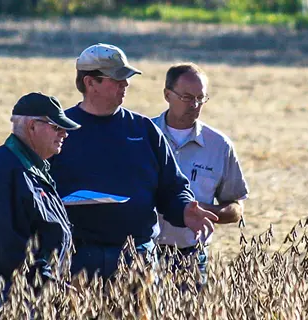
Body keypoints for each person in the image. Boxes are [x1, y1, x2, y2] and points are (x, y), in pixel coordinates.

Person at [49, 43, 219, 281]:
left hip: (137, 260)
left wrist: (184, 208)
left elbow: (172, 187)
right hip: (75, 258)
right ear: (90, 82)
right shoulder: (58, 130)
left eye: (126, 78)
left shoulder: (144, 131)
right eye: (117, 78)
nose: (125, 84)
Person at [0, 92, 81, 300]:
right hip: (11, 295)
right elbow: (4, 245)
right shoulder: (5, 169)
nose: (64, 134)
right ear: (32, 126)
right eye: (57, 127)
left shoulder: (32, 166)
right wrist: (46, 283)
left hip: (33, 291)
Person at [152, 63, 249, 284]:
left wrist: (205, 211)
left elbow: (236, 208)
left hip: (192, 257)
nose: (194, 105)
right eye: (187, 97)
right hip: (144, 253)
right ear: (167, 95)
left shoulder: (220, 146)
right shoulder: (142, 136)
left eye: (201, 98)